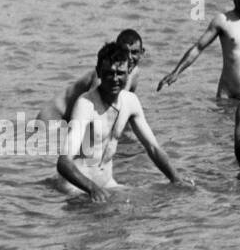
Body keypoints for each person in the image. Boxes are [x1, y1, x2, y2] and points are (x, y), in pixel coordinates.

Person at [57, 42, 189, 201]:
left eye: (120, 73)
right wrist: (92, 188)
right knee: (107, 212)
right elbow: (63, 162)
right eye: (108, 73)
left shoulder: (130, 102)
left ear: (129, 72)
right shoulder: (85, 105)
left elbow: (153, 148)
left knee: (153, 203)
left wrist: (176, 179)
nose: (114, 79)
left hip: (107, 184)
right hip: (77, 186)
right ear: (98, 72)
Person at [47, 29, 146, 123]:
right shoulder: (103, 77)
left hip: (73, 120)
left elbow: (124, 110)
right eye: (125, 51)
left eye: (134, 52)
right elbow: (91, 111)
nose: (129, 57)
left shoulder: (134, 73)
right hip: (55, 116)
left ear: (142, 53)